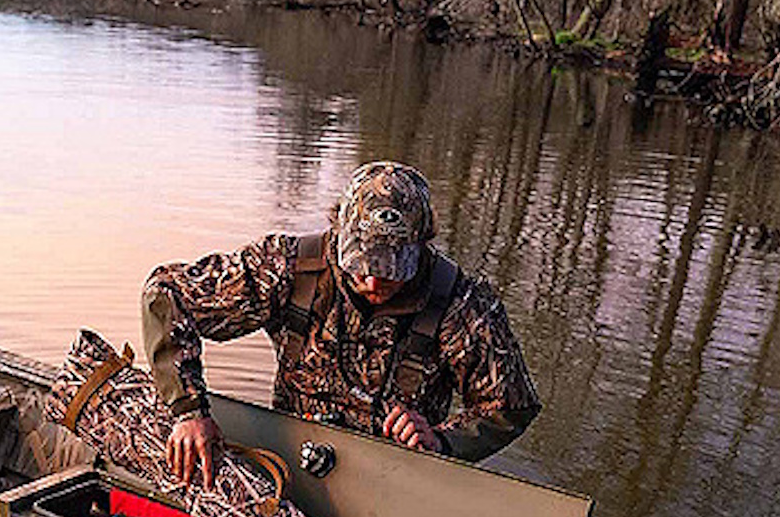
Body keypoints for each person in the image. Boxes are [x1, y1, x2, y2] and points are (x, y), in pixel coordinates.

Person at [142, 162, 541, 487]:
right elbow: (167, 294)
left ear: (423, 243)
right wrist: (188, 410)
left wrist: (441, 440)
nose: (373, 283)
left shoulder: (463, 304)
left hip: (399, 484)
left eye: (391, 269)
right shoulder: (287, 268)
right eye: (363, 264)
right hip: (292, 470)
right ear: (340, 232)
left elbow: (510, 406)